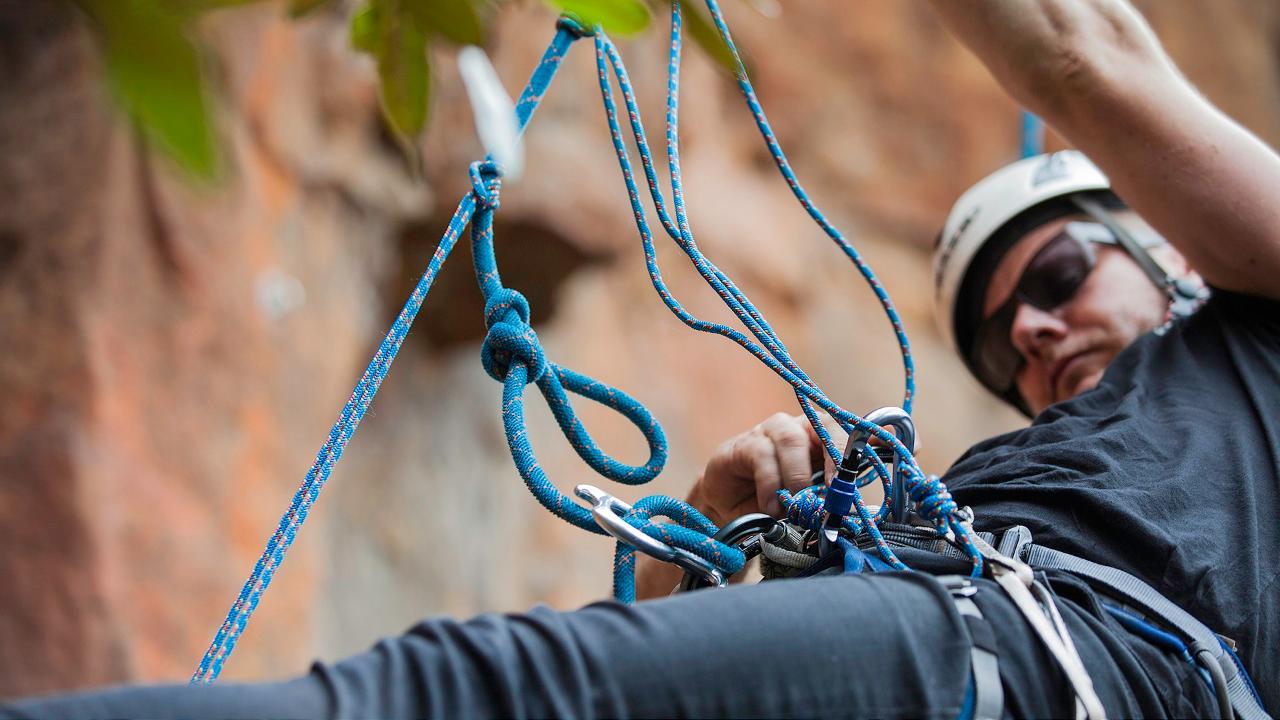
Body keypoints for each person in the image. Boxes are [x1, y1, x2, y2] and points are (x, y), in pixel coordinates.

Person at [4, 1, 1277, 717]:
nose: (1031, 334)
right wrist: (710, 540)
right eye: (1002, 340)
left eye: (1055, 278)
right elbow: (663, 661)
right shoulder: (1049, 488)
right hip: (1016, 663)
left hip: (1051, 666)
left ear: (1172, 252)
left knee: (478, 701)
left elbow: (1080, 50)